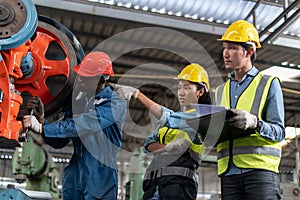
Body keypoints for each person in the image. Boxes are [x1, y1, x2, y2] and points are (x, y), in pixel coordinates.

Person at [23, 51, 127, 200]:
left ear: (100, 79)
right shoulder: (79, 105)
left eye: (86, 77)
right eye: (80, 76)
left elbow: (83, 124)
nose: (80, 80)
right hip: (75, 172)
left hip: (100, 174)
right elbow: (59, 142)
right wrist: (43, 121)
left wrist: (41, 128)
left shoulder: (114, 104)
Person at [113, 63, 211, 200]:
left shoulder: (201, 119)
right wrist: (168, 147)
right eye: (179, 87)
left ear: (200, 92)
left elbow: (167, 116)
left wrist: (138, 95)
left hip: (180, 188)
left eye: (187, 87)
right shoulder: (170, 121)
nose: (181, 92)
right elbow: (148, 145)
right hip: (155, 187)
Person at [214, 20, 285, 200]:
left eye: (232, 48)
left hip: (259, 172)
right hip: (228, 173)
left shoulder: (268, 84)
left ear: (250, 51)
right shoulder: (220, 91)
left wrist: (255, 122)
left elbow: (279, 132)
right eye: (224, 47)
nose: (225, 53)